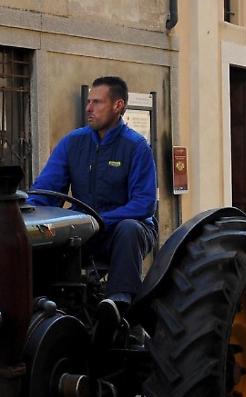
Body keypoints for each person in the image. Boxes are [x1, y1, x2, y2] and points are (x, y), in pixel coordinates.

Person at [28, 76, 157, 319]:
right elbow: (45, 192)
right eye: (89, 102)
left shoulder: (137, 146)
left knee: (129, 229)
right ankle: (47, 307)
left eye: (97, 102)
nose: (89, 108)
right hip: (84, 231)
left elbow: (144, 204)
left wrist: (97, 220)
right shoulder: (72, 143)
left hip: (124, 232)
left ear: (118, 106)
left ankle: (119, 305)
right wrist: (27, 215)